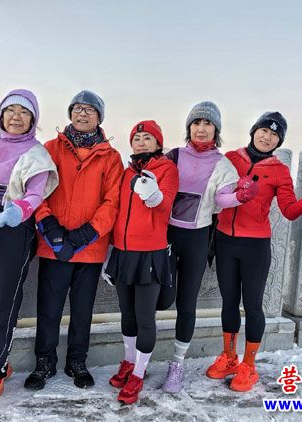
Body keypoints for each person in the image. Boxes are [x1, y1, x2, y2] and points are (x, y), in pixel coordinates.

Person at [206, 111, 302, 392]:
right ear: (253, 132)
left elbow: (290, 211)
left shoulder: (279, 171)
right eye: (263, 131)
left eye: (274, 135)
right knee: (228, 303)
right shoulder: (231, 159)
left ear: (278, 141)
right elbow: (211, 191)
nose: (267, 137)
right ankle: (229, 357)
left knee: (252, 305)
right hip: (224, 241)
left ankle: (248, 365)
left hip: (255, 246)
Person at [0, 89, 58, 409]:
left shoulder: (36, 153)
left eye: (24, 112)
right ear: (1, 115)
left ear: (33, 119)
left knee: (1, 304)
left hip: (13, 230)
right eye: (10, 110)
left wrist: (19, 211)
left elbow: (35, 193)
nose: (16, 117)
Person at [24, 90, 123, 391]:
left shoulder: (111, 157)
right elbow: (35, 190)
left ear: (99, 117)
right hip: (54, 246)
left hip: (90, 249)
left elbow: (112, 201)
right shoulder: (50, 148)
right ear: (70, 113)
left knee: (82, 311)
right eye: (78, 108)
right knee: (49, 309)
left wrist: (87, 233)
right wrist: (50, 228)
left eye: (90, 110)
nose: (83, 114)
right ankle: (44, 361)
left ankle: (77, 361)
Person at [160, 101, 257, 394]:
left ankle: (176, 365)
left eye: (207, 124)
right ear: (188, 127)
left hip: (197, 238)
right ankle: (138, 358)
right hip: (165, 236)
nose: (201, 129)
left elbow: (222, 199)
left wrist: (240, 196)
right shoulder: (174, 156)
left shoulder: (222, 164)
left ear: (216, 130)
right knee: (160, 298)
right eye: (196, 123)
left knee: (186, 303)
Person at [105, 120, 178, 404]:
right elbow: (117, 211)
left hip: (150, 252)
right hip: (123, 252)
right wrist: (111, 253)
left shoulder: (167, 168)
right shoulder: (126, 173)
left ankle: (139, 372)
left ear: (158, 143)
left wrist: (153, 194)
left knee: (145, 317)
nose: (141, 142)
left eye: (147, 138)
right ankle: (128, 361)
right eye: (137, 138)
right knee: (127, 315)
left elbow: (165, 204)